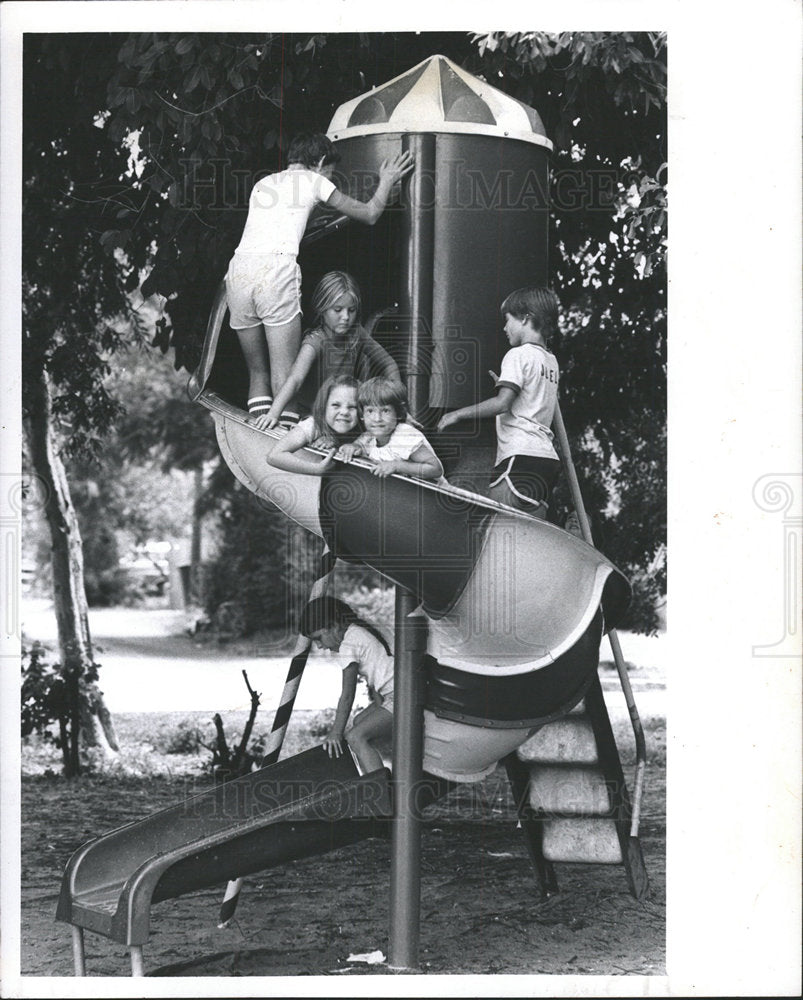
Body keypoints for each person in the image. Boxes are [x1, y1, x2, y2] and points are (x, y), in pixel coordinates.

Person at [225, 132, 413, 424]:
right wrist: (386, 180)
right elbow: (370, 214)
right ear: (321, 162)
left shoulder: (263, 184)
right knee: (285, 375)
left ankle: (259, 435)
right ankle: (285, 437)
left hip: (238, 272)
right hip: (275, 271)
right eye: (331, 172)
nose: (331, 177)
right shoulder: (315, 181)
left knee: (258, 371)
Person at [436, 286, 562, 518]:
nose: (505, 328)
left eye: (508, 320)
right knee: (528, 539)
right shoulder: (550, 361)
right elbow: (533, 397)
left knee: (496, 531)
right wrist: (505, 382)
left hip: (519, 456)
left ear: (525, 318)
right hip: (546, 461)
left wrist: (457, 414)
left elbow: (502, 404)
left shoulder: (517, 354)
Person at [261, 272, 401, 430]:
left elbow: (389, 364)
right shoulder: (315, 341)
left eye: (352, 310)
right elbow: (295, 379)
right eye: (338, 310)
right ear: (322, 309)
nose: (346, 317)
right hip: (313, 416)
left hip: (343, 414)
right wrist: (273, 414)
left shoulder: (357, 333)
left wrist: (397, 402)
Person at [299, 596, 394, 774]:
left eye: (319, 638)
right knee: (359, 721)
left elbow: (347, 695)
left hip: (399, 696)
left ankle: (380, 790)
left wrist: (336, 732)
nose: (319, 646)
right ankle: (373, 776)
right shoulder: (357, 632)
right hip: (396, 694)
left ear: (334, 625)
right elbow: (380, 674)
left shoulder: (348, 645)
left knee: (355, 737)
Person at [339, 376, 445, 481]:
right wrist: (352, 447)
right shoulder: (369, 436)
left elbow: (435, 469)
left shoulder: (404, 435)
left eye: (385, 411)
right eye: (370, 411)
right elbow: (359, 445)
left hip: (431, 493)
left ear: (399, 413)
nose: (377, 419)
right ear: (362, 414)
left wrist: (396, 466)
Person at [266, 374, 361, 477]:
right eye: (336, 405)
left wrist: (352, 445)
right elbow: (274, 456)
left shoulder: (363, 425)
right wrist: (316, 469)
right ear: (323, 406)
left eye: (352, 407)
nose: (344, 412)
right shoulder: (312, 425)